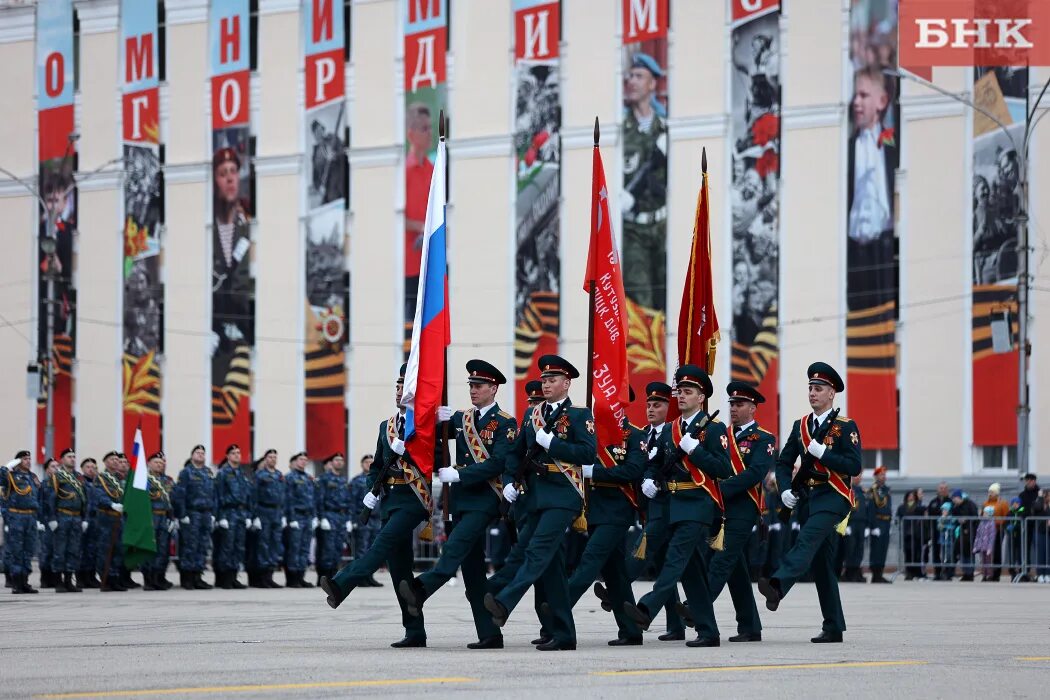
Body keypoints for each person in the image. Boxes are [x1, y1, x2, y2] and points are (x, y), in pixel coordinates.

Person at [401, 360, 518, 650]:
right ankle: (490, 634)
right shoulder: (461, 419)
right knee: (473, 573)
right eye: (471, 386)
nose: (473, 391)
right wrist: (434, 416)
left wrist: (460, 474)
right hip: (461, 502)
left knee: (454, 548)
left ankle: (421, 588)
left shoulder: (505, 422)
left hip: (486, 499)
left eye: (479, 386)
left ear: (493, 388)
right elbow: (433, 437)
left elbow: (499, 462)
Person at [483, 354, 597, 651]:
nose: (546, 384)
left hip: (563, 496)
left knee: (536, 551)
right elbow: (514, 452)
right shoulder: (531, 416)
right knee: (551, 567)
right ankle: (564, 634)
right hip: (534, 496)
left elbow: (587, 454)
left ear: (567, 383)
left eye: (553, 380)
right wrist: (509, 481)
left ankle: (503, 602)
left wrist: (553, 444)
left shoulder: (579, 415)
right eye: (544, 380)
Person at [320, 363, 435, 649]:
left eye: (403, 387)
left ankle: (341, 584)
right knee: (400, 570)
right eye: (396, 387)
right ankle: (415, 631)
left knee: (379, 546)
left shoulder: (423, 424)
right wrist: (370, 490)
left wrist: (406, 449)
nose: (398, 392)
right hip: (390, 501)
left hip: (413, 499)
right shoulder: (387, 426)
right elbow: (378, 465)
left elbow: (431, 458)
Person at [624, 365, 733, 648]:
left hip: (698, 504)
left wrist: (695, 449)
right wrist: (649, 478)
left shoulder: (713, 429)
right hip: (673, 504)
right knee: (692, 572)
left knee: (674, 559)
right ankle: (708, 631)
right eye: (680, 392)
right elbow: (655, 463)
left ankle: (647, 608)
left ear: (701, 398)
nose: (682, 396)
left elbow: (723, 468)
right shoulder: (670, 429)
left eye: (688, 392)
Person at [758, 362, 862, 643]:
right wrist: (785, 489)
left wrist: (823, 453)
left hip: (834, 497)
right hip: (809, 499)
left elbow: (854, 465)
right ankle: (833, 627)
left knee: (805, 540)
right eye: (811, 389)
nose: (813, 393)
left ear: (831, 394)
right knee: (822, 565)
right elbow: (783, 461)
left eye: (819, 389)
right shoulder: (801, 426)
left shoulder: (844, 426)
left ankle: (778, 586)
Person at [562, 387, 647, 646]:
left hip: (618, 510)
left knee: (589, 562)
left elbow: (633, 470)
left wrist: (595, 472)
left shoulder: (633, 434)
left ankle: (559, 609)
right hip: (595, 509)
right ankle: (631, 631)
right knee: (615, 573)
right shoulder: (592, 431)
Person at [702, 381, 774, 643]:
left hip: (743, 509)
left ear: (753, 408)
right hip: (719, 508)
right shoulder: (721, 436)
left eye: (740, 404)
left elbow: (754, 474)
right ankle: (750, 626)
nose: (733, 408)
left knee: (721, 561)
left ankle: (697, 606)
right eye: (731, 403)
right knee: (736, 570)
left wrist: (721, 489)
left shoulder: (763, 438)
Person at [621, 381, 686, 641]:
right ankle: (676, 626)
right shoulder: (641, 435)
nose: (650, 409)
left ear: (668, 408)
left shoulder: (674, 434)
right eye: (648, 404)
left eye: (657, 405)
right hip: (648, 507)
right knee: (663, 567)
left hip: (669, 508)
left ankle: (619, 584)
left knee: (644, 553)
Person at [847, 65, 897, 311]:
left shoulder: (892, 146)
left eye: (863, 96)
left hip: (885, 248)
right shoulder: (846, 149)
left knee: (885, 310)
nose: (856, 102)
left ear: (881, 101)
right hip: (854, 251)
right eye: (855, 96)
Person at [622, 52, 668, 311]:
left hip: (663, 226)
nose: (632, 81)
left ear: (652, 84)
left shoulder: (666, 127)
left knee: (668, 299)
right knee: (641, 303)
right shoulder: (620, 128)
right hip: (633, 229)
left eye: (639, 76)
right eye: (630, 76)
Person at [404, 103, 434, 320]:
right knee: (410, 326)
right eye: (424, 128)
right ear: (411, 135)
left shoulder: (433, 170)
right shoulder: (403, 172)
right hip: (409, 265)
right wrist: (420, 227)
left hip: (431, 261)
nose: (430, 133)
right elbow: (394, 219)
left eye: (431, 127)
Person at [42, 448, 86, 592]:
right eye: (69, 457)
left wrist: (84, 518)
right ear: (62, 460)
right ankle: (58, 581)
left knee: (73, 550)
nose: (72, 459)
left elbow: (84, 499)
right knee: (59, 550)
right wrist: (52, 519)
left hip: (76, 517)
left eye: (74, 456)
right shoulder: (57, 477)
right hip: (62, 516)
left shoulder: (79, 477)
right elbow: (50, 499)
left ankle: (69, 580)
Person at [173, 445, 216, 590]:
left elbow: (213, 494)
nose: (201, 455)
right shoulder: (186, 472)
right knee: (189, 546)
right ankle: (187, 578)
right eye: (198, 453)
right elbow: (180, 495)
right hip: (192, 513)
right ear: (192, 456)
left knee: (202, 546)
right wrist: (182, 514)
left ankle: (198, 576)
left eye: (203, 453)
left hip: (206, 513)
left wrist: (213, 514)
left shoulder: (208, 472)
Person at [2, 450, 42, 593]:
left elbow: (38, 497)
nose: (28, 461)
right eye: (25, 459)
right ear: (18, 461)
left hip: (31, 517)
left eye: (29, 458)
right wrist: (6, 467)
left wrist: (40, 519)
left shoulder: (33, 477)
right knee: (17, 551)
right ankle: (16, 583)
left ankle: (25, 581)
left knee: (28, 550)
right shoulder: (10, 476)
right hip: (16, 516)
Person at [214, 444, 253, 589]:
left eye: (238, 452)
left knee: (239, 547)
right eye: (234, 453)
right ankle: (224, 578)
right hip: (228, 513)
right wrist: (221, 516)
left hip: (241, 513)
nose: (237, 455)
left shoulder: (242, 473)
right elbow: (218, 496)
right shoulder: (223, 473)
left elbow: (248, 496)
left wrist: (248, 515)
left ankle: (234, 576)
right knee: (227, 547)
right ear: (228, 456)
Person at [315, 452, 353, 586]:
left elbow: (348, 501)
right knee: (327, 549)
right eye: (336, 460)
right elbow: (319, 500)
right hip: (329, 516)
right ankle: (323, 578)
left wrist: (348, 519)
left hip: (341, 517)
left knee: (337, 549)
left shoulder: (343, 480)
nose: (339, 462)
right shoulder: (324, 479)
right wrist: (321, 517)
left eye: (341, 460)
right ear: (331, 463)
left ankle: (333, 577)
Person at [250, 449, 285, 588]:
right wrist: (255, 516)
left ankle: (270, 576)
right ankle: (262, 577)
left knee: (274, 544)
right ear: (265, 459)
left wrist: (283, 514)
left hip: (276, 512)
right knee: (263, 545)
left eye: (275, 457)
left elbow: (283, 496)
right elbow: (254, 496)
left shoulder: (279, 475)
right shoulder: (260, 475)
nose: (273, 459)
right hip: (263, 511)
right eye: (270, 457)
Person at [347, 453, 383, 587]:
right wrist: (351, 520)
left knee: (373, 550)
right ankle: (360, 577)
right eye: (366, 462)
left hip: (376, 519)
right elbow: (351, 501)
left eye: (371, 462)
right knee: (362, 550)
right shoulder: (356, 481)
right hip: (363, 519)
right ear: (362, 464)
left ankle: (369, 576)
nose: (369, 464)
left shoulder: (379, 479)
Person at [94, 452, 128, 592]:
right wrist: (110, 504)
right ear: (106, 462)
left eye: (117, 459)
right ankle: (105, 579)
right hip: (106, 517)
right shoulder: (101, 478)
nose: (115, 462)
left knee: (118, 549)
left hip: (119, 518)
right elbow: (98, 495)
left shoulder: (119, 478)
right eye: (112, 459)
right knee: (106, 549)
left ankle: (115, 578)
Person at [283, 451, 317, 588]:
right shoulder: (290, 477)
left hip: (307, 516)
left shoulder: (309, 478)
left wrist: (314, 516)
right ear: (295, 462)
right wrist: (290, 517)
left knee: (304, 548)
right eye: (300, 459)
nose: (303, 462)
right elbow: (288, 498)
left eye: (305, 460)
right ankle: (292, 578)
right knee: (294, 548)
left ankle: (301, 576)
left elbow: (313, 498)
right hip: (296, 515)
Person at [143, 451, 175, 591]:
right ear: (149, 463)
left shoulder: (168, 480)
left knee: (163, 549)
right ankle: (148, 580)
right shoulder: (143, 479)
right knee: (149, 549)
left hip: (164, 517)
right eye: (156, 462)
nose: (159, 465)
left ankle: (159, 577)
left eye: (162, 463)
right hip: (150, 516)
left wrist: (172, 518)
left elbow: (173, 500)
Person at [77, 457, 101, 589]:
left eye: (93, 467)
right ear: (82, 469)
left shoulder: (98, 483)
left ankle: (91, 576)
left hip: (96, 519)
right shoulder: (79, 482)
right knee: (82, 549)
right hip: (84, 519)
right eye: (88, 467)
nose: (91, 469)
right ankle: (81, 577)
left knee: (93, 549)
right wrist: (83, 519)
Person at [866, 466, 892, 583]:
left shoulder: (886, 489)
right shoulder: (873, 490)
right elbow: (871, 509)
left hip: (886, 523)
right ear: (876, 477)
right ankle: (875, 575)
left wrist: (889, 523)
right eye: (881, 475)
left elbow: (889, 508)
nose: (884, 477)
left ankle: (880, 574)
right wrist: (873, 526)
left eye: (884, 474)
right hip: (877, 522)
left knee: (883, 549)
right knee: (876, 549)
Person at [840, 475, 868, 582]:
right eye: (856, 476)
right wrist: (845, 525)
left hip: (861, 523)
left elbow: (867, 509)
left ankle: (856, 572)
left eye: (860, 476)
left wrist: (867, 525)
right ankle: (849, 573)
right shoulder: (848, 489)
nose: (858, 478)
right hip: (851, 523)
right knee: (850, 549)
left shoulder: (862, 491)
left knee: (859, 549)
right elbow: (844, 508)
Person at [982, 483, 1010, 581]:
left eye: (992, 492)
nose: (990, 494)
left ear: (997, 493)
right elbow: (982, 515)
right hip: (987, 531)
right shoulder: (986, 503)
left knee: (997, 552)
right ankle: (987, 573)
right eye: (989, 492)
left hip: (998, 530)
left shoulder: (1003, 503)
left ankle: (996, 574)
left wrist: (997, 522)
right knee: (986, 552)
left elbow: (1007, 517)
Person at [927, 482, 954, 580]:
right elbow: (929, 515)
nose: (942, 490)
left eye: (944, 488)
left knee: (948, 553)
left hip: (948, 532)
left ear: (947, 490)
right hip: (936, 531)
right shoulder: (933, 502)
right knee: (936, 552)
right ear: (937, 490)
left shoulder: (951, 502)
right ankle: (937, 573)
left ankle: (948, 573)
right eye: (941, 488)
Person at [896, 490, 925, 579]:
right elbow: (897, 517)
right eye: (909, 496)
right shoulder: (902, 507)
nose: (911, 497)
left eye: (913, 496)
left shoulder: (919, 507)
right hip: (906, 533)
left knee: (917, 553)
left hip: (917, 533)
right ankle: (909, 572)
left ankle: (917, 572)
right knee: (908, 553)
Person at [952, 489, 978, 581]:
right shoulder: (957, 506)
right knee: (962, 552)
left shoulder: (970, 504)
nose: (954, 501)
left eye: (955, 499)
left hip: (970, 532)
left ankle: (970, 573)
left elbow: (975, 517)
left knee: (969, 554)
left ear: (959, 497)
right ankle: (965, 572)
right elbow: (954, 515)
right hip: (961, 533)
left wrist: (966, 520)